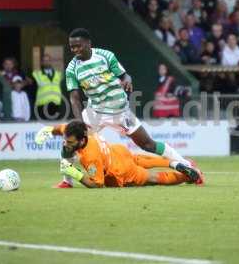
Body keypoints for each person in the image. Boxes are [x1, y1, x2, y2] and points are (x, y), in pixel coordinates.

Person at [60, 28, 195, 188]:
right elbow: (74, 97)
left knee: (148, 145)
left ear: (88, 44)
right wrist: (79, 122)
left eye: (78, 46)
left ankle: (188, 166)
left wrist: (127, 80)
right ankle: (66, 181)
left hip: (120, 111)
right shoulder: (71, 68)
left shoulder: (106, 56)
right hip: (94, 112)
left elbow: (125, 76)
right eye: (72, 47)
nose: (75, 50)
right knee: (71, 140)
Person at [35, 121, 203, 188]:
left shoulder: (90, 156)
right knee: (143, 159)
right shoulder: (73, 131)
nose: (66, 143)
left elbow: (97, 184)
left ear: (81, 140)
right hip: (118, 151)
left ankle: (188, 177)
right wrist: (49, 130)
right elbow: (61, 129)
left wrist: (75, 173)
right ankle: (176, 163)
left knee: (153, 178)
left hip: (121, 170)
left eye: (71, 143)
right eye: (66, 140)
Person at [32, 53, 63, 120]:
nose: (47, 62)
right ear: (42, 62)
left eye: (48, 60)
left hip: (56, 103)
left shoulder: (58, 74)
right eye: (45, 61)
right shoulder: (36, 74)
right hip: (42, 104)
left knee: (56, 127)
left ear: (51, 62)